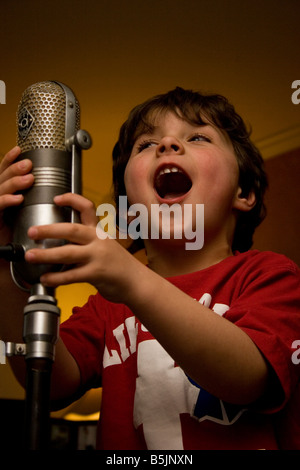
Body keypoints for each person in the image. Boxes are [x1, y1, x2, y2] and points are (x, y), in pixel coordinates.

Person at [0, 87, 299, 450]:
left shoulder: (269, 275)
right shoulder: (107, 307)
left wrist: (131, 278)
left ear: (244, 193)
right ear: (128, 211)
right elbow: (50, 383)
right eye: (145, 145)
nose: (168, 145)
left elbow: (249, 379)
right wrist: (8, 267)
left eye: (198, 136)